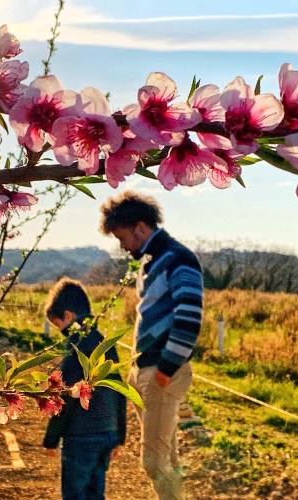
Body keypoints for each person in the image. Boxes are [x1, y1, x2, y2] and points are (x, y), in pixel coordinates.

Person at [100, 191, 203, 500]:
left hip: (162, 370)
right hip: (146, 369)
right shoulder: (152, 262)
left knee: (153, 461)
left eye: (122, 237)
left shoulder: (177, 258)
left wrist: (167, 368)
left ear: (140, 228)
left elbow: (189, 317)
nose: (121, 245)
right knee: (167, 457)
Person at [42, 278, 126, 500]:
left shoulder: (75, 349)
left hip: (81, 437)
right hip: (106, 433)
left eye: (58, 324)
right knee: (95, 493)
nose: (60, 331)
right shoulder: (105, 344)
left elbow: (66, 396)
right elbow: (120, 390)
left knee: (75, 494)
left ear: (68, 316)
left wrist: (51, 439)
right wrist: (120, 435)